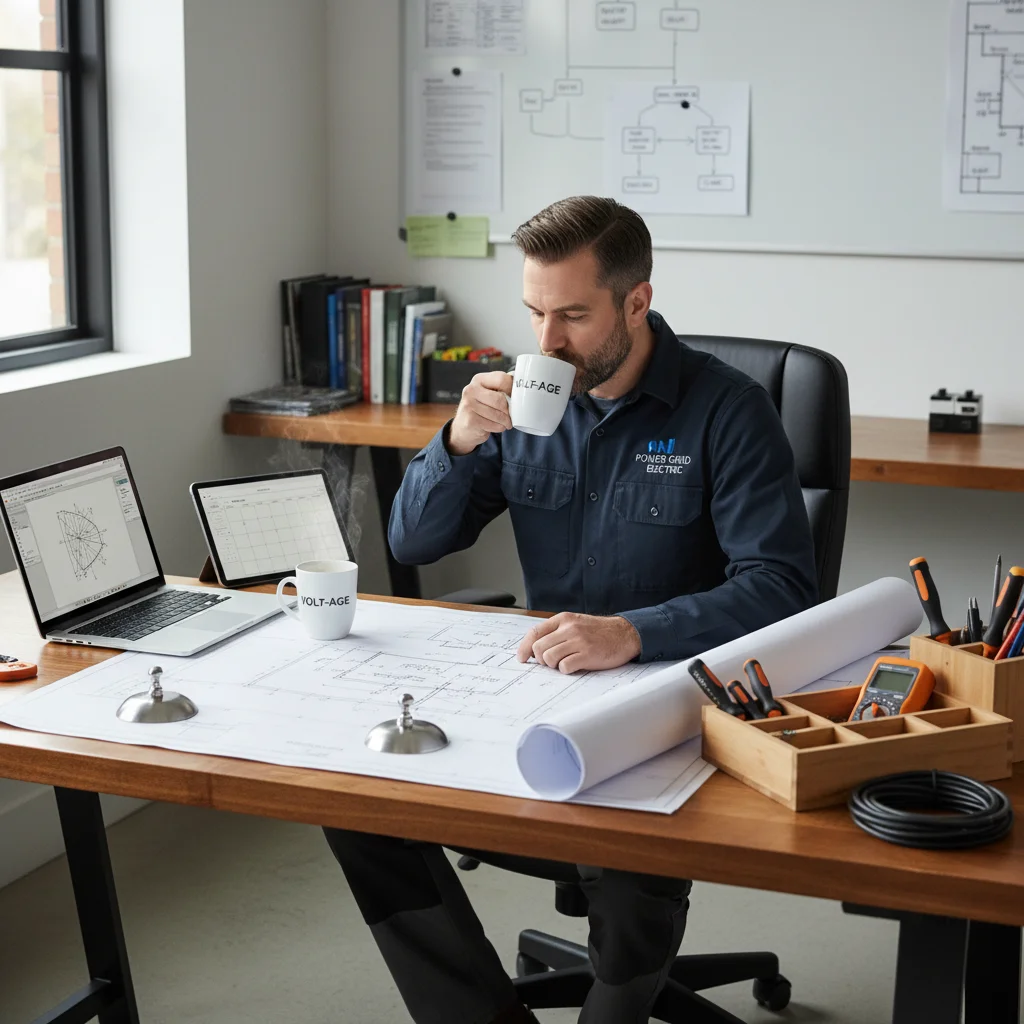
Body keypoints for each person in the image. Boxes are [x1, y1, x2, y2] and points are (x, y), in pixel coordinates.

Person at [324, 196, 818, 1024]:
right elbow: (412, 543)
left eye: (573, 316)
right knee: (355, 805)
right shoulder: (523, 404)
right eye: (534, 313)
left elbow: (782, 586)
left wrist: (634, 633)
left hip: (672, 698)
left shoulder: (728, 411)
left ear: (636, 301)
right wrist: (456, 441)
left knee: (627, 860)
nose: (546, 342)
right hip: (536, 687)